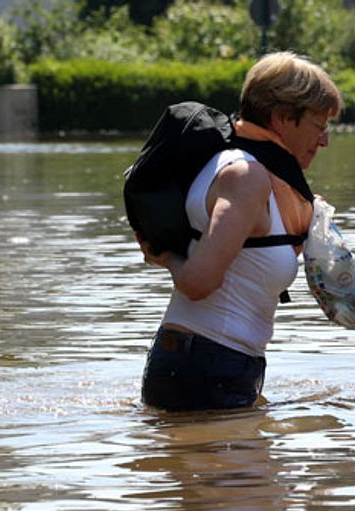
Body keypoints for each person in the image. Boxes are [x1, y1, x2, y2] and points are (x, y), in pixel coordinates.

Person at [138, 51, 342, 411]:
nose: (325, 140)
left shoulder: (257, 175)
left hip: (214, 362)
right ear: (282, 118)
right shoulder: (245, 176)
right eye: (318, 125)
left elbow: (251, 262)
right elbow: (199, 283)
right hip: (206, 364)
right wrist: (165, 256)